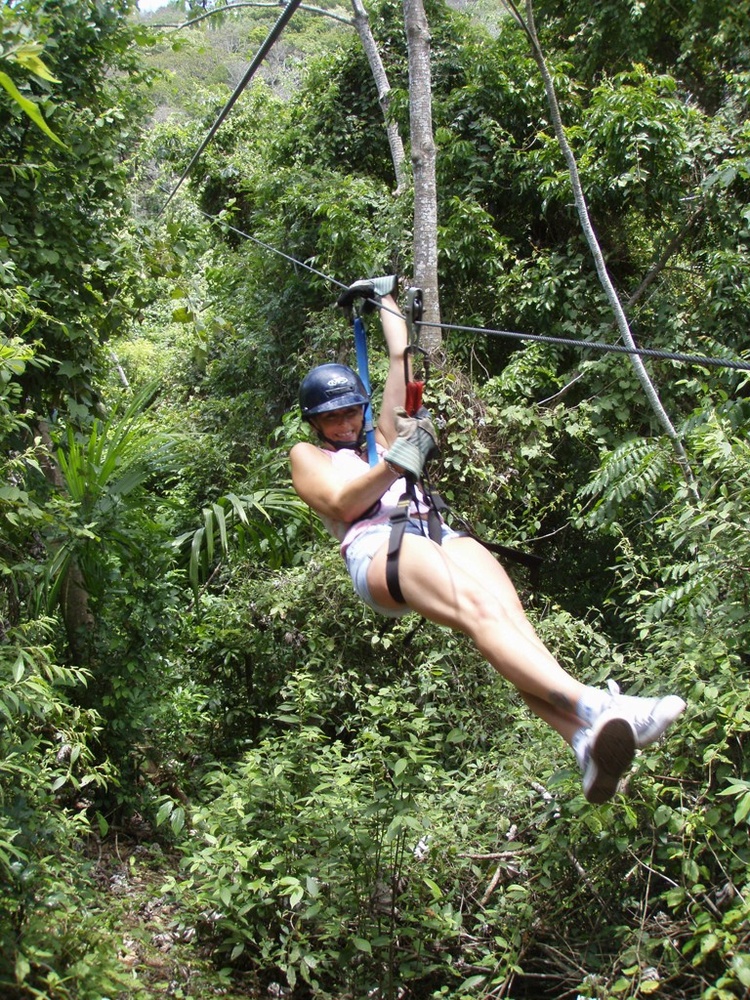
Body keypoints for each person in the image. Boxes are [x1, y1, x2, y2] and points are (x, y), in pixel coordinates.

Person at [289, 277, 685, 804]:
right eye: (329, 416)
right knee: (479, 611)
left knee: (516, 633)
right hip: (378, 548)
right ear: (314, 422)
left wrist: (384, 300)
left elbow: (398, 357)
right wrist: (396, 462)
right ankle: (601, 706)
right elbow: (342, 504)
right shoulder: (309, 457)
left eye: (348, 411)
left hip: (434, 529)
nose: (341, 423)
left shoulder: (380, 433)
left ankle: (584, 744)